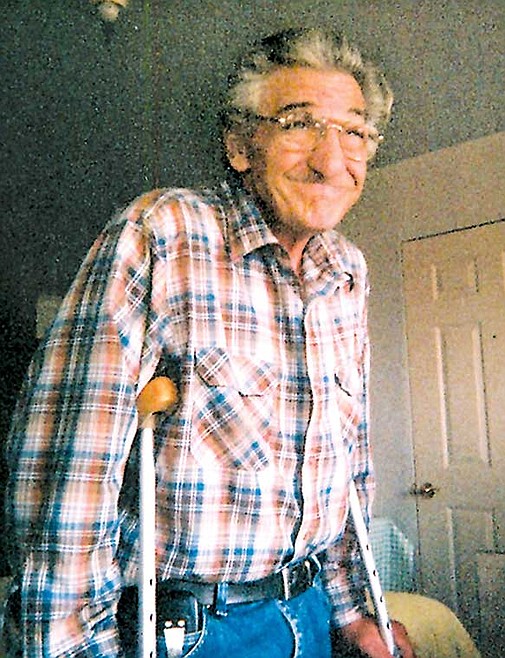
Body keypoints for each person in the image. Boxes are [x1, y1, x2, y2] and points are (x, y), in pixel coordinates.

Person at [3, 27, 416, 658]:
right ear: (240, 145)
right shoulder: (163, 232)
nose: (332, 161)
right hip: (193, 629)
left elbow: (346, 459)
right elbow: (67, 475)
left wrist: (355, 611)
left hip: (309, 611)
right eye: (299, 124)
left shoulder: (346, 269)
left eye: (355, 132)